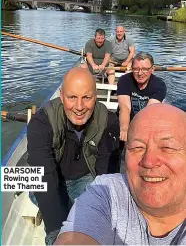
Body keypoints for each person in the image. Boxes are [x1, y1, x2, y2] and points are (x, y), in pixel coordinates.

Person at [54, 104, 186, 245]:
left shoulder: (107, 120)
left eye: (167, 147)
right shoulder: (106, 190)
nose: (149, 161)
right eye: (137, 147)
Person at [27, 67, 120, 245]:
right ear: (61, 96)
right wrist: (56, 235)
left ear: (96, 96)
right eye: (72, 97)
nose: (79, 107)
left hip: (85, 179)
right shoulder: (40, 123)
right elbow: (44, 176)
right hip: (51, 177)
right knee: (29, 186)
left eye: (86, 97)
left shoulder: (109, 122)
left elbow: (105, 179)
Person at [117, 52, 166, 141]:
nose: (140, 73)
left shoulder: (159, 85)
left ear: (152, 69)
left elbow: (149, 112)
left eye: (145, 69)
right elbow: (125, 108)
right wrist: (124, 129)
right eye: (136, 69)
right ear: (131, 68)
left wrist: (136, 133)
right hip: (125, 121)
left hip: (147, 122)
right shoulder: (124, 80)